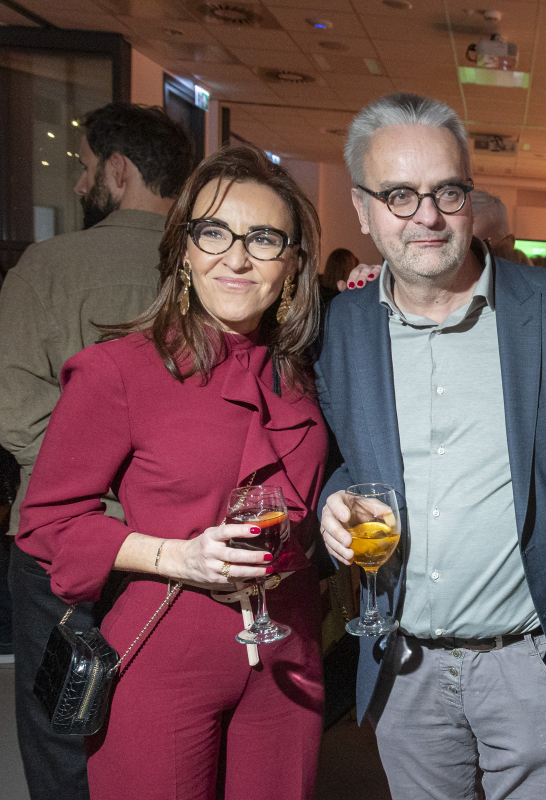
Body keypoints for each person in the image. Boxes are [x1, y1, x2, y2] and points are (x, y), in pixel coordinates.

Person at [17, 145, 329, 800]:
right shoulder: (120, 371)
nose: (236, 258)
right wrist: (176, 556)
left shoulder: (304, 374)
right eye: (214, 233)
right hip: (166, 653)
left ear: (294, 263)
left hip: (288, 656)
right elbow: (49, 524)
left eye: (263, 239)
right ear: (184, 250)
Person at [316, 92, 546, 799]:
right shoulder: (343, 325)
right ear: (363, 209)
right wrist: (332, 501)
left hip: (527, 663)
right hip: (403, 665)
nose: (427, 217)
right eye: (399, 196)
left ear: (470, 195)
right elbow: (338, 457)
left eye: (447, 192)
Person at [0, 101, 192, 800]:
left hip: (59, 543)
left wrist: (86, 473)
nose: (80, 183)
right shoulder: (207, 269)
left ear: (118, 169)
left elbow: (14, 411)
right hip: (174, 540)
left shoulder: (47, 266)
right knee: (163, 729)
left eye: (84, 168)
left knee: (60, 729)